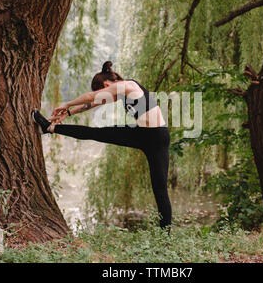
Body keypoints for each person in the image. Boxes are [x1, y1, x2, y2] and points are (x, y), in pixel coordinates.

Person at [31, 61, 172, 230]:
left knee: (160, 189)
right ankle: (50, 128)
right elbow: (93, 103)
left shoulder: (127, 86)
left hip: (156, 138)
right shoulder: (120, 91)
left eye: (100, 90)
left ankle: (166, 234)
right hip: (142, 134)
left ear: (106, 85)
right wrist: (68, 113)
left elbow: (91, 97)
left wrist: (67, 104)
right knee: (95, 133)